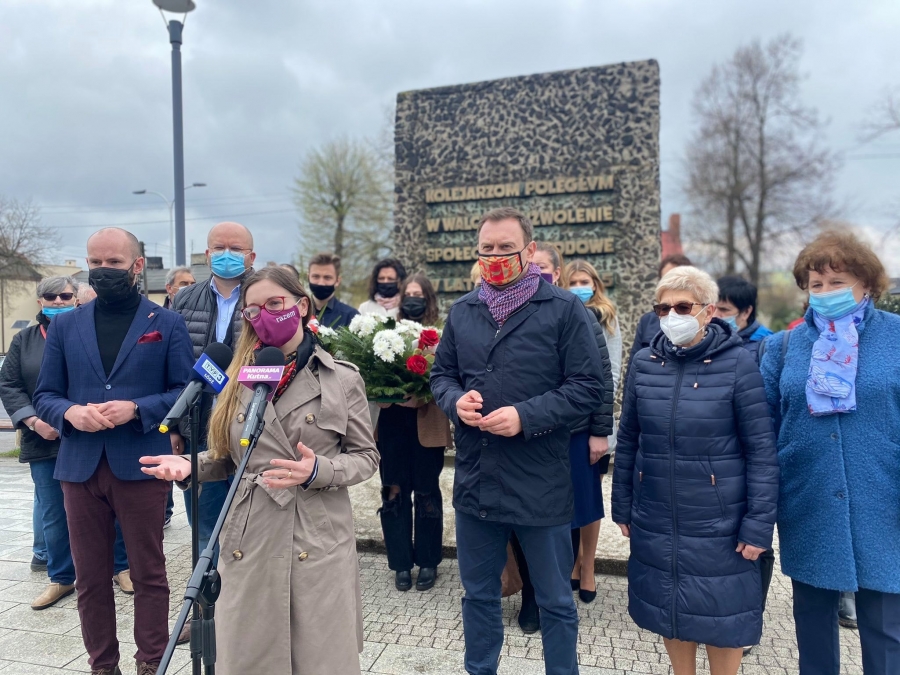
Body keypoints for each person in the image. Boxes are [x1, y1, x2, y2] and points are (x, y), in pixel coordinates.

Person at [140, 266, 380, 675]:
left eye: (274, 303)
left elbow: (366, 457)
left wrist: (318, 469)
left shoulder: (342, 378)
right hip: (250, 531)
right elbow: (229, 457)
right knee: (250, 651)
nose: (263, 315)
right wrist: (190, 464)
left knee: (319, 653)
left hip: (316, 529)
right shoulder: (238, 378)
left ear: (300, 306)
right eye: (252, 310)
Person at [430, 207, 606, 675]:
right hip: (477, 481)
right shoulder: (463, 310)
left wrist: (526, 417)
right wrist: (454, 401)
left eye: (505, 247)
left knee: (555, 602)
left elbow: (588, 386)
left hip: (540, 482)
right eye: (486, 248)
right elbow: (441, 374)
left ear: (529, 250)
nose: (495, 256)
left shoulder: (564, 309)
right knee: (479, 596)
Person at [33, 227, 194, 675]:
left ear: (137, 266)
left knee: (148, 573)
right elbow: (45, 394)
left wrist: (137, 408)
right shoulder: (66, 325)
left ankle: (151, 662)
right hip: (79, 468)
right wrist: (70, 413)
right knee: (89, 578)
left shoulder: (167, 323)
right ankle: (102, 665)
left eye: (114, 263)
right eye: (96, 263)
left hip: (142, 464)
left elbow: (185, 390)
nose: (103, 270)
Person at [612, 265, 778, 675]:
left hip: (719, 521)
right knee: (670, 610)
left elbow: (761, 450)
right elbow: (629, 438)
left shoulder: (738, 363)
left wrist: (759, 524)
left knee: (724, 618)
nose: (672, 316)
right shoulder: (645, 363)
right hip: (657, 514)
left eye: (682, 307)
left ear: (708, 311)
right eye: (663, 308)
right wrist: (622, 505)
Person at [760, 231, 900, 675]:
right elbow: (764, 424)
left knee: (887, 630)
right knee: (813, 625)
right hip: (810, 498)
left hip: (884, 499)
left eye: (837, 282)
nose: (824, 292)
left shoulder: (896, 338)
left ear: (867, 284)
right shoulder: (784, 346)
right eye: (815, 284)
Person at [515, 244, 612, 637]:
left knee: (565, 517)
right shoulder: (511, 310)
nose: (535, 272)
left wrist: (600, 430)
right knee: (523, 517)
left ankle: (554, 594)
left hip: (569, 433)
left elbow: (600, 376)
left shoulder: (576, 312)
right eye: (530, 266)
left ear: (556, 272)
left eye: (542, 267)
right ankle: (531, 595)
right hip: (522, 433)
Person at [168, 221, 255, 644]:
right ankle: (205, 610)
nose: (226, 254)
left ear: (251, 256)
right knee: (204, 526)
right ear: (206, 255)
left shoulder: (264, 296)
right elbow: (173, 368)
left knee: (250, 527)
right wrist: (177, 427)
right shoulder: (184, 300)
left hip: (252, 426)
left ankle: (246, 612)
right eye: (218, 247)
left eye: (235, 248)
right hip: (199, 426)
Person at [0, 276, 78, 609]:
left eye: (65, 295)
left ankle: (119, 568)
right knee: (53, 512)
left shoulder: (88, 333)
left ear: (76, 299)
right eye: (50, 296)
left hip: (87, 437)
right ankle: (61, 578)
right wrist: (33, 421)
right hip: (42, 441)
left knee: (108, 507)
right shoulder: (24, 340)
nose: (58, 301)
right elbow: (9, 384)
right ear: (39, 301)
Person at [378, 273, 450, 592]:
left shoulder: (442, 334)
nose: (412, 299)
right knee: (393, 491)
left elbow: (449, 376)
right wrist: (391, 392)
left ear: (428, 298)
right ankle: (400, 563)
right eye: (408, 293)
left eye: (418, 294)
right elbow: (375, 374)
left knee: (426, 492)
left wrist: (421, 394)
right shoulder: (386, 332)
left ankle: (429, 560)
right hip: (392, 423)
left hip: (427, 423)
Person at [564, 259, 621, 599]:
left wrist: (601, 426)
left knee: (589, 499)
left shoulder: (607, 318)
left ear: (595, 284)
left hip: (594, 424)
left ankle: (587, 566)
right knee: (571, 499)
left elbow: (610, 372)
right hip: (568, 425)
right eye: (572, 282)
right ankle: (572, 563)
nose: (578, 288)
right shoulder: (561, 314)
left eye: (584, 281)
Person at [628, 254, 692, 366]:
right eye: (666, 280)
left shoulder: (698, 319)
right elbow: (634, 366)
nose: (670, 286)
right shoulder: (647, 321)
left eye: (677, 280)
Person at [714, 275, 773, 359]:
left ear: (746, 312)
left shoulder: (767, 345)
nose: (714, 315)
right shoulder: (704, 339)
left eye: (724, 310)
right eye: (710, 308)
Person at [307, 252, 359, 328]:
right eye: (316, 276)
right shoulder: (298, 313)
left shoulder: (351, 316)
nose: (321, 283)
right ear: (308, 277)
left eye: (327, 277)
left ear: (337, 281)